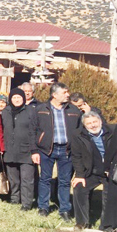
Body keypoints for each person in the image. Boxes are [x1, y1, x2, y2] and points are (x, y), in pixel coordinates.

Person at [34, 82, 81, 221]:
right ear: (54, 95)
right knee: (45, 179)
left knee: (65, 181)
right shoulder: (41, 109)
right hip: (46, 149)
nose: (68, 95)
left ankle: (65, 210)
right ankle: (43, 207)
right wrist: (34, 150)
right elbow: (33, 130)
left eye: (68, 92)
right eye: (64, 92)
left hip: (66, 150)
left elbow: (79, 131)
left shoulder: (73, 110)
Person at [71, 111, 117, 232]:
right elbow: (76, 157)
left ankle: (107, 225)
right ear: (85, 126)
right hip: (91, 171)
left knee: (110, 195)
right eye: (89, 123)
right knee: (79, 188)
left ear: (100, 121)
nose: (93, 125)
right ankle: (82, 222)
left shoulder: (112, 131)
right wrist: (79, 175)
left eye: (95, 122)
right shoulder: (78, 135)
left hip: (110, 171)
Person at [1, 87, 39, 211]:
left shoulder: (30, 111)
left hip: (26, 150)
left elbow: (35, 130)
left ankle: (26, 203)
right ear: (10, 99)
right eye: (14, 97)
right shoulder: (5, 111)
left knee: (27, 179)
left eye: (19, 97)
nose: (17, 100)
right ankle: (14, 199)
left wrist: (34, 149)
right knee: (13, 179)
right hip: (10, 150)